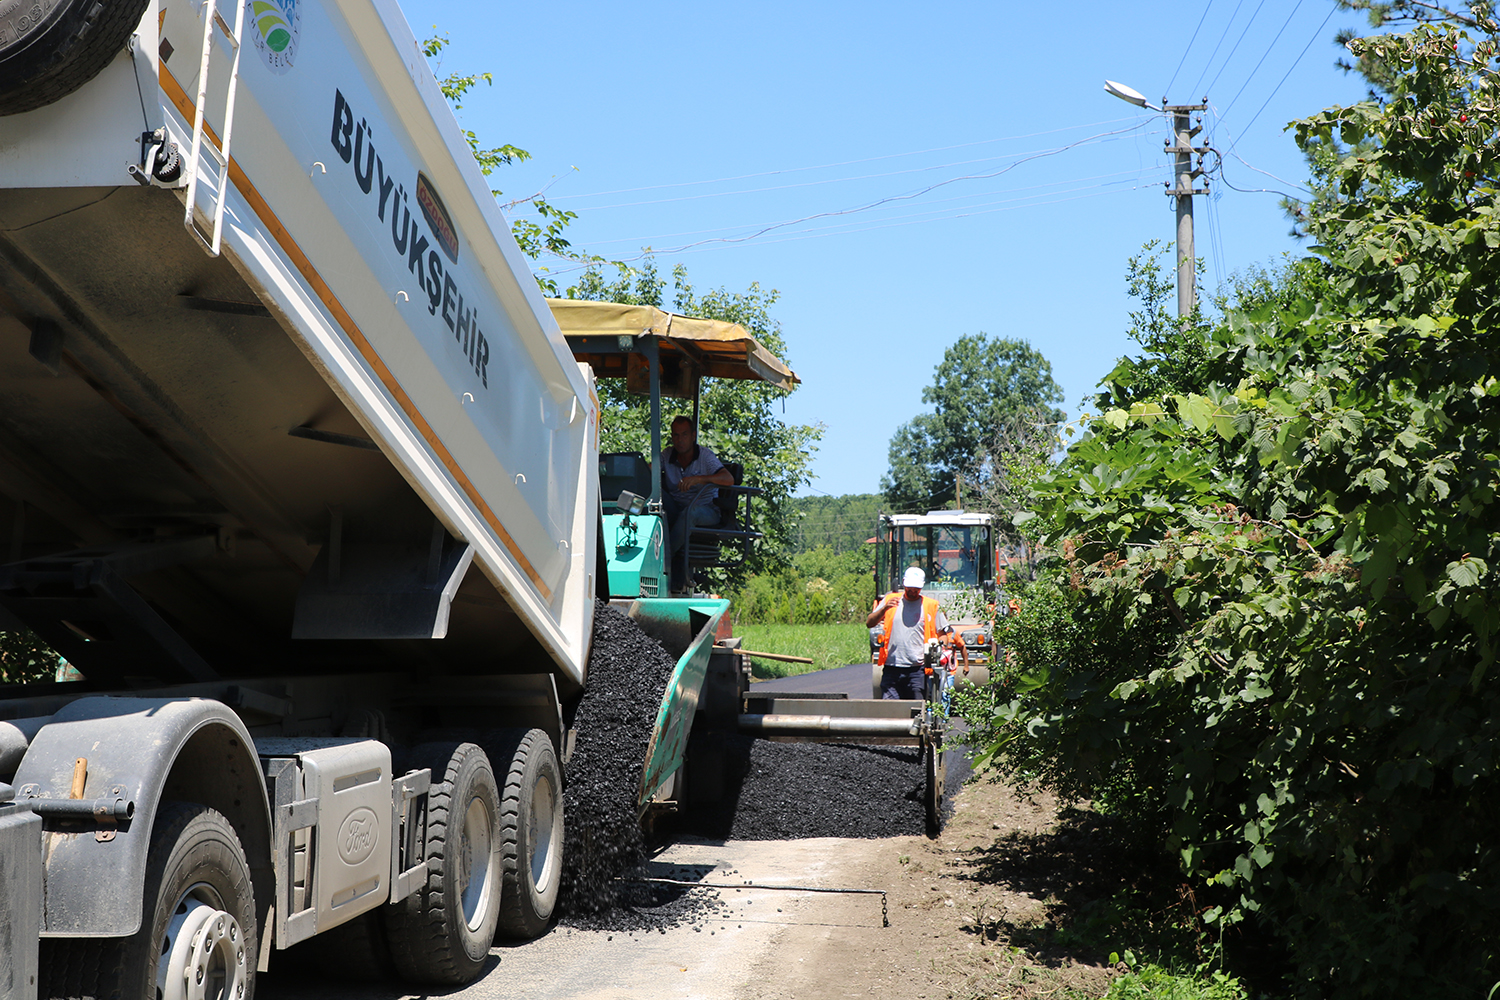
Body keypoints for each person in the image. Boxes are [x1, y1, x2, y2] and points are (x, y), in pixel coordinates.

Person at [866, 566, 965, 699]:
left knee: (917, 709)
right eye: (910, 587)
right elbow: (869, 622)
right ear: (904, 583)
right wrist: (884, 609)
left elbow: (942, 633)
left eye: (916, 588)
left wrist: (941, 648)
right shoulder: (890, 600)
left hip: (917, 670)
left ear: (922, 586)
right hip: (892, 667)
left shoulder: (931, 605)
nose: (913, 591)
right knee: (890, 708)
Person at [660, 414, 732, 591]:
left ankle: (664, 559)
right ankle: (672, 558)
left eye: (684, 434)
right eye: (676, 435)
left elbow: (728, 478)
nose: (680, 440)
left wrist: (700, 479)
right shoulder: (667, 454)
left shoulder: (705, 456)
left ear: (693, 436)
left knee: (690, 514)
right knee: (655, 495)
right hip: (676, 509)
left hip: (705, 511)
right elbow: (647, 471)